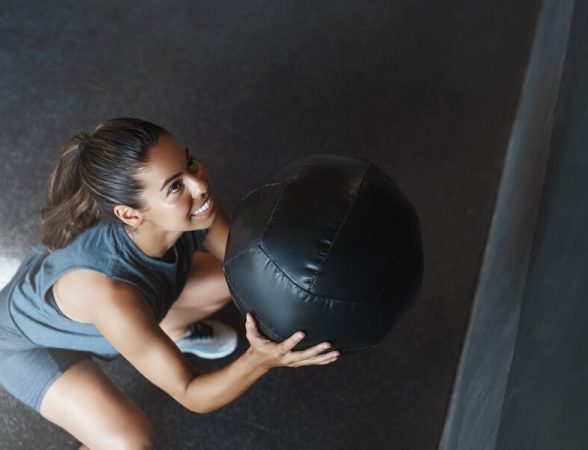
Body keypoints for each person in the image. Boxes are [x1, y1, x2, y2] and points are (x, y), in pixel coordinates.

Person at [0, 117, 339, 450]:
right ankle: (158, 338)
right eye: (175, 186)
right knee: (130, 443)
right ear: (131, 214)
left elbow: (251, 268)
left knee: (235, 276)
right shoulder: (111, 294)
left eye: (190, 163)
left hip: (118, 312)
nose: (200, 185)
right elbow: (191, 392)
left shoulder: (194, 207)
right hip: (24, 346)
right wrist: (259, 360)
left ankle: (173, 333)